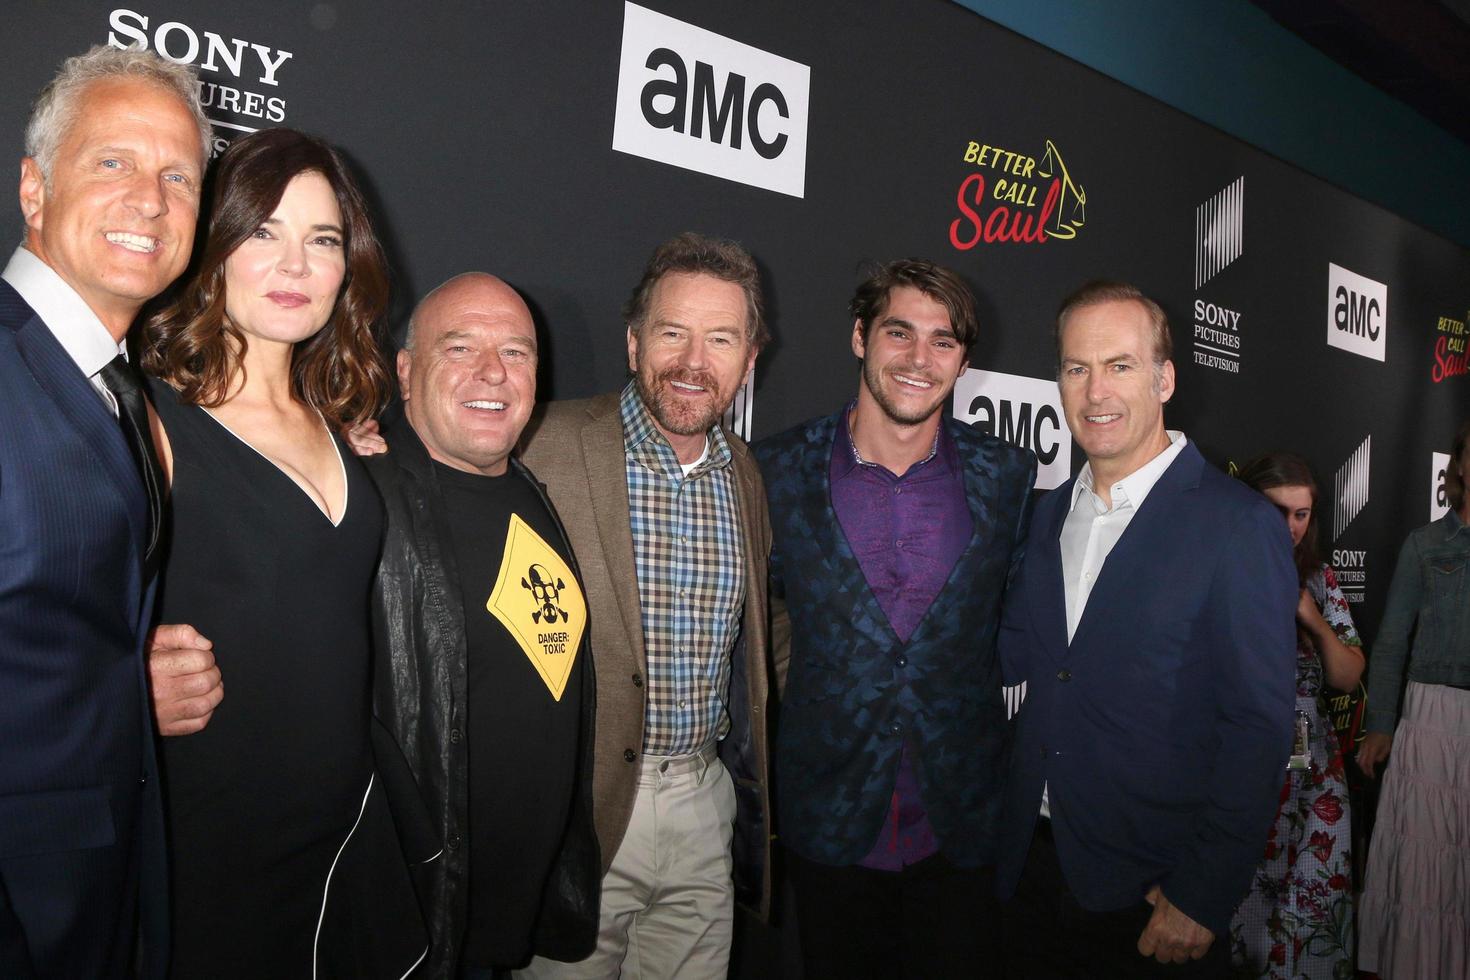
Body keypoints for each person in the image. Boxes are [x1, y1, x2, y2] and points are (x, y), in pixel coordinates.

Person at [140, 127, 425, 978]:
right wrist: (117, 680)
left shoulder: (339, 428)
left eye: (323, 240)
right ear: (215, 243)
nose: (295, 265)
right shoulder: (148, 421)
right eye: (264, 231)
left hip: (344, 840)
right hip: (213, 848)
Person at [995, 280, 1297, 979]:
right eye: (1077, 368)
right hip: (1026, 876)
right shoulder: (1043, 517)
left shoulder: (1239, 525)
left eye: (1120, 365)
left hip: (1153, 896)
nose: (1095, 391)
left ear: (1164, 379)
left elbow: (1258, 727)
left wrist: (1203, 893)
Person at [753, 259, 1035, 978]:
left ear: (964, 360)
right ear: (859, 337)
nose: (918, 358)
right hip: (827, 820)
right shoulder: (775, 470)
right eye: (899, 333)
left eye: (943, 341)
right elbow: (762, 614)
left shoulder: (1008, 477)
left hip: (961, 824)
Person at [514, 232, 775, 979]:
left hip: (703, 808)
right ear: (634, 344)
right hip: (582, 814)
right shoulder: (546, 446)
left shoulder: (745, 476)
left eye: (721, 339)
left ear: (749, 360)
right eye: (673, 333)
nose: (695, 362)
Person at [0, 45, 208, 977]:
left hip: (107, 897)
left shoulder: (123, 393)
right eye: (113, 162)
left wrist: (129, 682)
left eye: (178, 175)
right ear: (34, 189)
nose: (152, 200)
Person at [365, 272, 600, 977]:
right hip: (414, 925)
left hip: (511, 920)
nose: (492, 372)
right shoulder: (358, 501)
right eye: (460, 347)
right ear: (405, 372)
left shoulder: (530, 488)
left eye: (517, 352)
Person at [1228, 453, 1364, 980]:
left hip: (1314, 778)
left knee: (1310, 916)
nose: (1289, 526)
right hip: (1244, 766)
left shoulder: (1319, 578)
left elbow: (1348, 676)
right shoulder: (1226, 565)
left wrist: (1309, 616)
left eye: (1301, 514)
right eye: (1277, 510)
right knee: (1244, 915)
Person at [1356, 419, 1470, 979]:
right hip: (1434, 721)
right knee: (1430, 866)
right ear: (1460, 465)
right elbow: (1392, 639)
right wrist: (1380, 726)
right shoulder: (1426, 545)